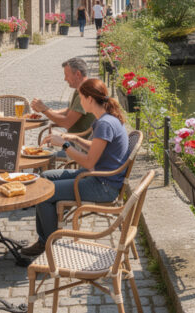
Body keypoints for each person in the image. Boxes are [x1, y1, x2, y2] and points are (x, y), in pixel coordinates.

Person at [20, 78, 131, 257]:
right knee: (45, 177)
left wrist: (64, 146)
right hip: (99, 177)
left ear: (89, 99)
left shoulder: (104, 123)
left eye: (80, 97)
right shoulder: (105, 119)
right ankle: (46, 238)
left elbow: (89, 162)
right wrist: (75, 139)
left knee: (42, 193)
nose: (79, 101)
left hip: (103, 186)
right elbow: (98, 149)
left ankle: (48, 244)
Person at [30, 57, 98, 137]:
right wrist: (50, 111)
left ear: (78, 74)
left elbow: (67, 123)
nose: (65, 79)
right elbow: (71, 110)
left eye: (67, 75)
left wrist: (45, 110)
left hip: (78, 145)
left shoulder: (85, 92)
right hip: (74, 141)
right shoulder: (82, 88)